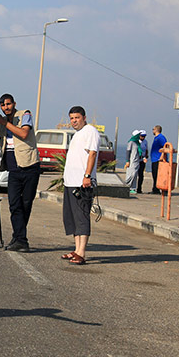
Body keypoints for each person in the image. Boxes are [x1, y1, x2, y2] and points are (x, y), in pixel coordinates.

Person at [0, 93, 41, 252]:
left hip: (30, 166)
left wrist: (2, 121)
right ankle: (20, 239)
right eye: (3, 105)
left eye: (8, 104)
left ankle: (19, 239)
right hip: (13, 169)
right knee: (14, 205)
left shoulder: (25, 114)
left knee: (26, 205)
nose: (6, 107)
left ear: (14, 103)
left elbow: (24, 133)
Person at [61, 106, 100, 265]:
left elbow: (92, 153)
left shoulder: (90, 131)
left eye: (77, 117)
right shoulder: (77, 134)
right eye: (71, 118)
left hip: (82, 183)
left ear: (84, 117)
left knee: (82, 216)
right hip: (70, 182)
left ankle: (82, 252)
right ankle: (76, 250)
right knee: (72, 218)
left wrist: (87, 176)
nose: (74, 121)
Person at [149, 125, 167, 194]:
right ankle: (155, 189)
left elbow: (165, 146)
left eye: (153, 129)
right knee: (154, 175)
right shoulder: (156, 138)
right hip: (154, 159)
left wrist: (162, 156)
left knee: (158, 175)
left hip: (158, 159)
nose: (152, 131)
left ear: (156, 130)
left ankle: (161, 189)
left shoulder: (161, 138)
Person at [125, 130, 142, 195]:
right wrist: (127, 161)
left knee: (135, 175)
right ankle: (127, 186)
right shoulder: (131, 142)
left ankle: (133, 188)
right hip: (131, 161)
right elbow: (128, 152)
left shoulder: (138, 143)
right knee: (131, 174)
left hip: (136, 161)